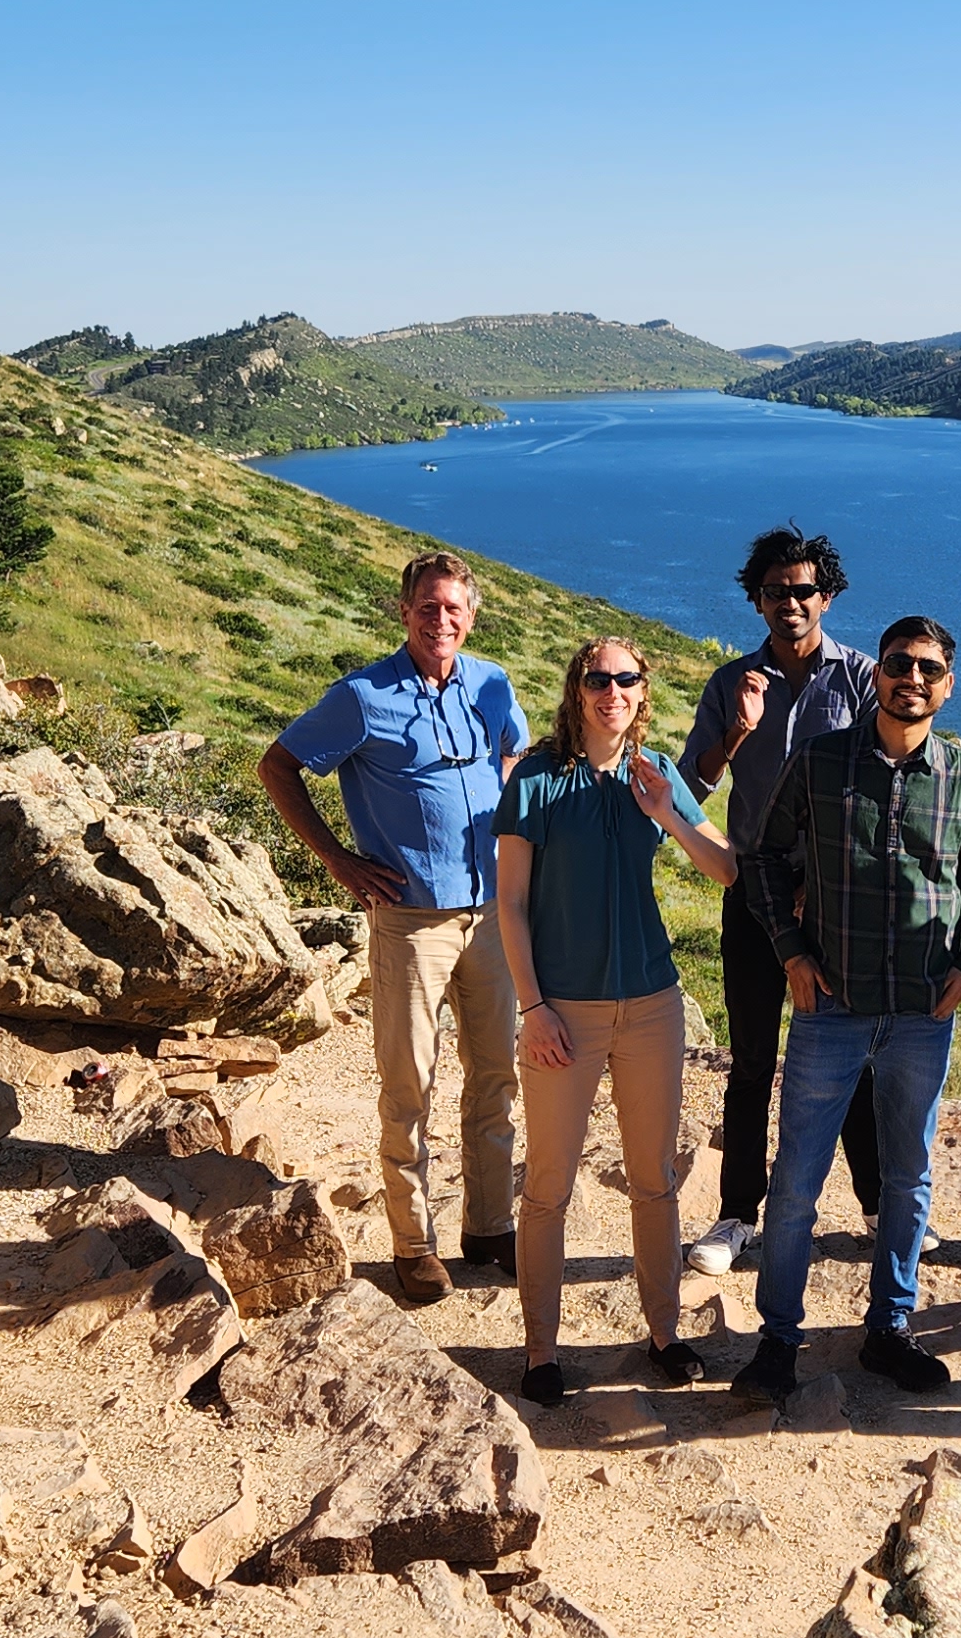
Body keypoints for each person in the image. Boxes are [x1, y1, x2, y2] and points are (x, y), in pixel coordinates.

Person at [738, 614, 961, 1403]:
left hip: (923, 1014)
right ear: (879, 673)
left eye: (929, 668)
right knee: (795, 1182)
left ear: (948, 684)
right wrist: (790, 949)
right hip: (831, 1006)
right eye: (899, 663)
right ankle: (778, 1341)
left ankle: (889, 1329)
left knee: (908, 1177)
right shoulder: (821, 762)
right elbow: (761, 856)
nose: (912, 679)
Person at [258, 551, 529, 1304]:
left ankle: (489, 1227)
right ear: (403, 612)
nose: (441, 620)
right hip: (410, 921)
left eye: (454, 608)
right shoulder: (360, 697)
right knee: (411, 1084)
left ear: (471, 614)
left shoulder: (493, 682)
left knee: (495, 1078)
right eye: (427, 607)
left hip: (491, 913)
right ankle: (414, 1245)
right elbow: (276, 768)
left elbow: (513, 749)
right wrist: (340, 861)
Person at [493, 636, 730, 1406]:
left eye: (627, 679)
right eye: (600, 679)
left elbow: (723, 868)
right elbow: (513, 904)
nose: (614, 692)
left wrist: (669, 811)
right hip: (563, 1011)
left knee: (655, 1181)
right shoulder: (535, 778)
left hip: (653, 1006)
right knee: (548, 1186)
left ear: (641, 691)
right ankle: (539, 1352)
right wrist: (532, 1007)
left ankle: (664, 1333)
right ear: (578, 688)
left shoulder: (653, 772)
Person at [676, 524, 881, 1272]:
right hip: (757, 892)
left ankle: (878, 1206)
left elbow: (884, 780)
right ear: (756, 601)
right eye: (774, 592)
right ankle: (736, 1216)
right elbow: (691, 784)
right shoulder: (733, 683)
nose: (789, 603)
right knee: (754, 1060)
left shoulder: (861, 679)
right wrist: (735, 733)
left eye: (802, 591)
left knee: (851, 1059)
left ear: (825, 597)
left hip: (835, 897)